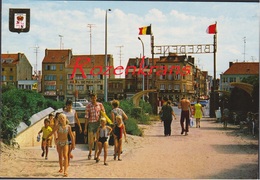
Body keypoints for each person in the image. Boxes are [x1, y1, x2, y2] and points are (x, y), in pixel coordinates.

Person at [47, 113, 75, 177]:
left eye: (63, 118)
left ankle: (65, 171)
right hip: (59, 142)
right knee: (60, 156)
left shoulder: (68, 127)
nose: (62, 119)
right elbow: (52, 132)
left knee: (65, 156)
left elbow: (72, 136)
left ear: (65, 119)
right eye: (60, 118)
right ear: (59, 120)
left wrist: (73, 144)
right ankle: (61, 168)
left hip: (65, 142)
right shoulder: (58, 126)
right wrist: (47, 137)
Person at [84, 93, 105, 160]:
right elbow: (86, 117)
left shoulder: (100, 105)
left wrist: (103, 123)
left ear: (96, 98)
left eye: (95, 98)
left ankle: (95, 155)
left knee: (97, 140)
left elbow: (103, 114)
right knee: (90, 140)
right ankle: (90, 152)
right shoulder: (88, 106)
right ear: (91, 98)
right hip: (91, 123)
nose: (93, 99)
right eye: (92, 98)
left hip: (98, 123)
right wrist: (85, 127)